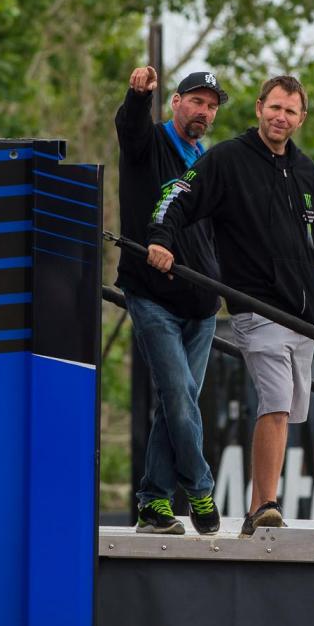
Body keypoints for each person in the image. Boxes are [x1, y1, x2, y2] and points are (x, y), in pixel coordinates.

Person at [146, 75, 314, 536]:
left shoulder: (306, 171)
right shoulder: (228, 160)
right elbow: (175, 197)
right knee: (276, 403)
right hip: (256, 306)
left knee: (289, 410)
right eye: (274, 108)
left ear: (302, 119)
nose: (281, 117)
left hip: (304, 314)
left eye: (291, 111)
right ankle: (266, 507)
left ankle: (258, 512)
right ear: (259, 108)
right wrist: (160, 240)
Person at [115, 66, 229, 536]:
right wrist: (137, 96)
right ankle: (200, 487)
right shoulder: (150, 143)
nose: (203, 111)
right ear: (175, 103)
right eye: (196, 101)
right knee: (180, 396)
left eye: (211, 106)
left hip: (202, 305)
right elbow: (129, 129)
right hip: (151, 295)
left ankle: (153, 504)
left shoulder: (208, 160)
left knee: (175, 403)